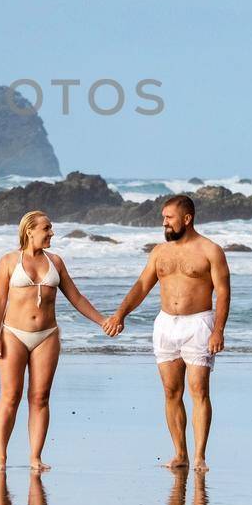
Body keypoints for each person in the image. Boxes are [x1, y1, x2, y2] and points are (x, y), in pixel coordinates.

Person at [102, 195, 231, 471]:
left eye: (169, 218)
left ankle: (199, 457)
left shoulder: (211, 250)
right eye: (163, 218)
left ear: (187, 218)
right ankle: (180, 454)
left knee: (199, 391)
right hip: (165, 325)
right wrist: (120, 313)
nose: (164, 223)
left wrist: (218, 330)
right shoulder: (159, 252)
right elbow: (141, 286)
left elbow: (223, 292)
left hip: (198, 324)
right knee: (172, 391)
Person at [0, 210, 112, 471]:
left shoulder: (55, 261)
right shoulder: (9, 261)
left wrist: (102, 320)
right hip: (13, 334)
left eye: (51, 228)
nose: (51, 233)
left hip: (47, 336)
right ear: (29, 230)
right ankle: (1, 456)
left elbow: (76, 297)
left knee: (40, 397)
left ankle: (35, 457)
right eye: (47, 228)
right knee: (11, 396)